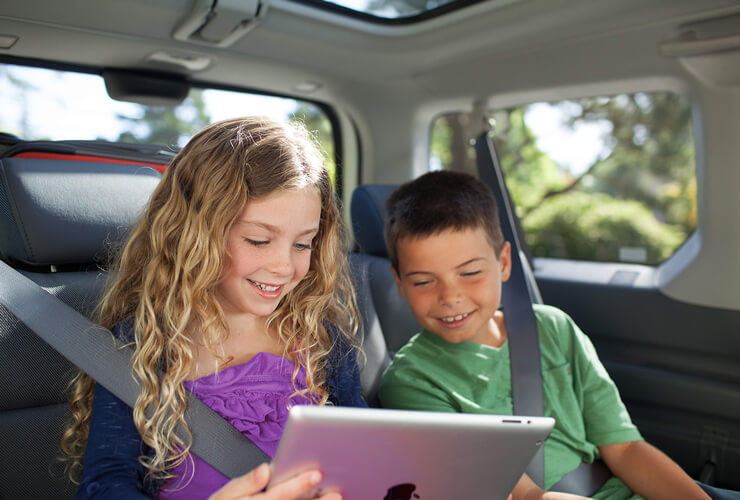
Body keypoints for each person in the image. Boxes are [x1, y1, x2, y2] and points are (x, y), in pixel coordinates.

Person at [61, 117, 365, 500]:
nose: (285, 267)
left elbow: (368, 454)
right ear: (194, 234)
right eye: (258, 240)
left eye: (303, 244)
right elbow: (105, 487)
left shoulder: (322, 343)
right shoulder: (144, 347)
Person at [378, 171, 715, 500]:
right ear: (400, 283)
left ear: (505, 262)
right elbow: (524, 494)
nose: (449, 296)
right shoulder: (412, 381)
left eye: (470, 273)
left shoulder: (554, 328)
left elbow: (626, 448)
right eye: (423, 281)